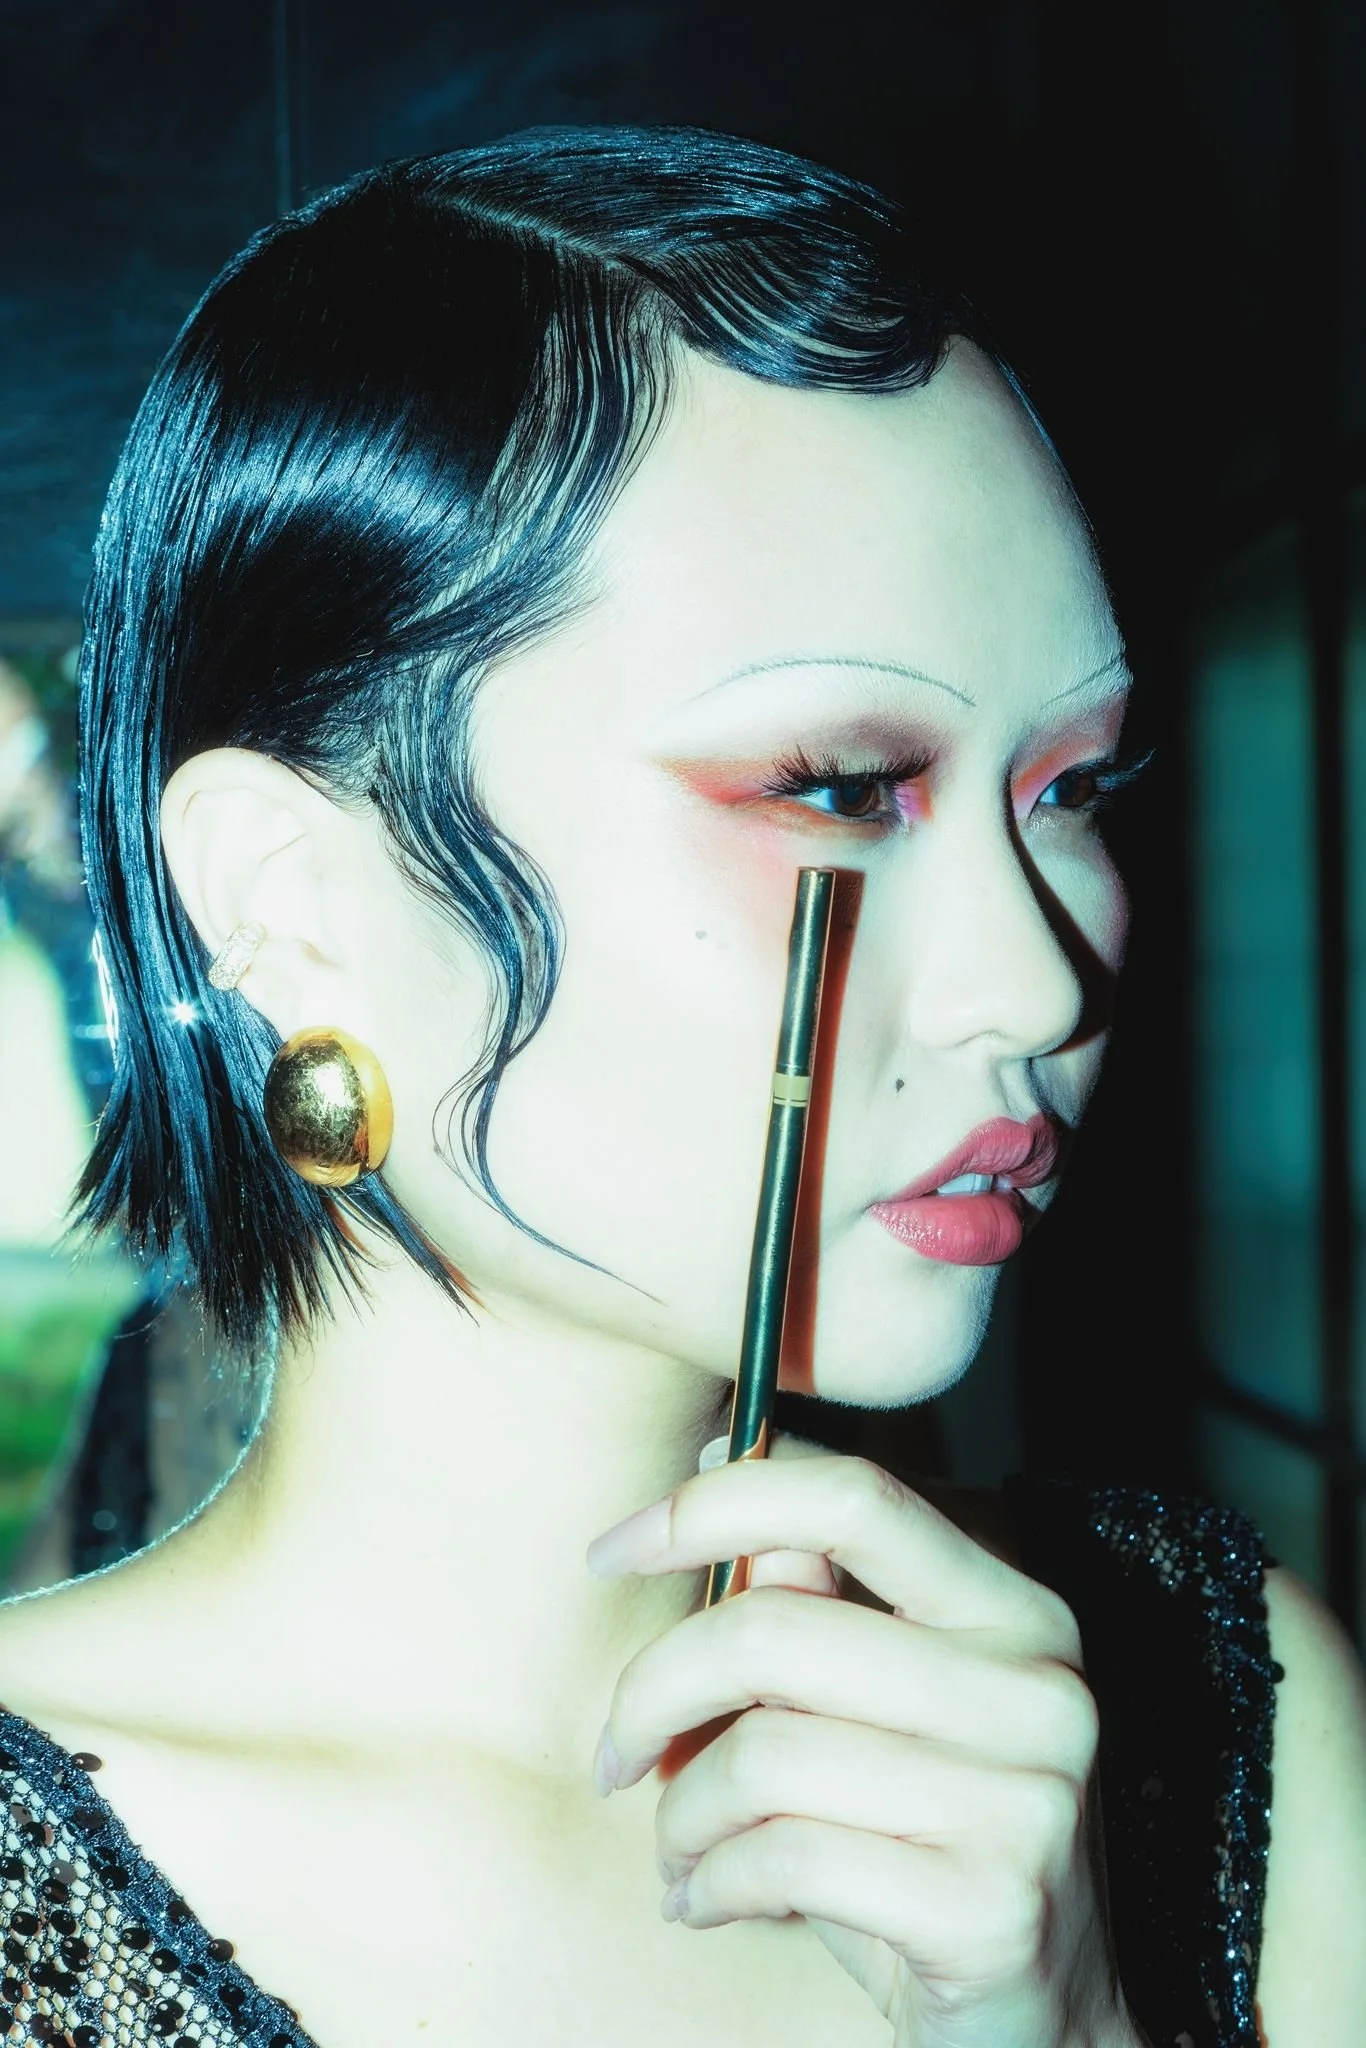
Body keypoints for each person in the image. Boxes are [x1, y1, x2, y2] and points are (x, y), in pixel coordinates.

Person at [0, 125, 1359, 2048]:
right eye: (833, 785)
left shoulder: (1219, 1706)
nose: (1036, 978)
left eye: (1069, 789)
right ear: (291, 899)